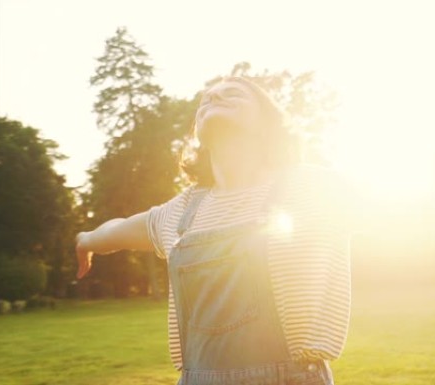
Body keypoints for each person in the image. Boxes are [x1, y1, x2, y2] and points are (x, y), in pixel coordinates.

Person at [75, 76, 350, 385]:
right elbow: (119, 229)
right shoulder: (181, 211)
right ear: (198, 136)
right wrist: (85, 240)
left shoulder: (312, 186)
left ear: (267, 122)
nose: (214, 99)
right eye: (206, 99)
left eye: (232, 94)